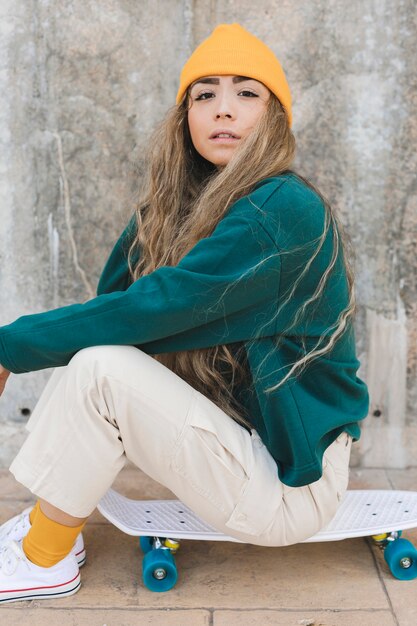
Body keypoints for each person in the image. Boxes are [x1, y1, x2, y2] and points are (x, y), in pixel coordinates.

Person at [0, 23, 369, 603]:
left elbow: (154, 309)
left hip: (291, 487)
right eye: (205, 95)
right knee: (96, 360)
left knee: (100, 367)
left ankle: (44, 557)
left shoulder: (283, 209)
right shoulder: (178, 207)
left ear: (274, 117)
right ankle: (48, 534)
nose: (224, 110)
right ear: (185, 118)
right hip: (242, 449)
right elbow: (115, 306)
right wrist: (156, 221)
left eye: (247, 93)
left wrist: (9, 348)